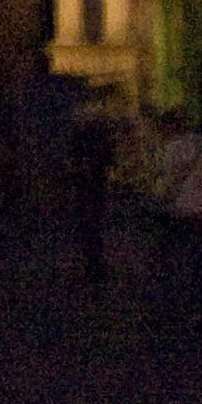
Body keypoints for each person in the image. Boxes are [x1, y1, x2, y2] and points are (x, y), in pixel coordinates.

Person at [152, 108, 202, 332]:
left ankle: (176, 307)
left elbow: (165, 183)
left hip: (179, 211)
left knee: (175, 259)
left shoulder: (170, 150)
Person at [63, 107, 119, 284]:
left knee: (88, 226)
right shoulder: (99, 140)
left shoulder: (82, 140)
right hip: (94, 185)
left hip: (87, 186)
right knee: (93, 225)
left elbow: (75, 161)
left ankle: (92, 265)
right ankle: (94, 264)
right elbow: (108, 160)